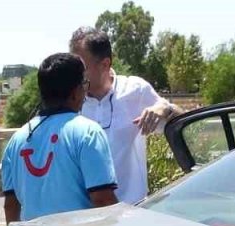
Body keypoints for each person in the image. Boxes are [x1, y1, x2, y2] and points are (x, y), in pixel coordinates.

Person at [1, 53, 118, 223]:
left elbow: (10, 207)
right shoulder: (88, 132)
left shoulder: (15, 141)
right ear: (75, 92)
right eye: (84, 84)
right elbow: (103, 200)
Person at [69, 27, 179, 204]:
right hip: (86, 217)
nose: (73, 74)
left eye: (81, 67)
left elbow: (183, 123)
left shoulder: (136, 90)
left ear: (105, 64)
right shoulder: (70, 99)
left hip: (132, 212)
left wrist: (164, 108)